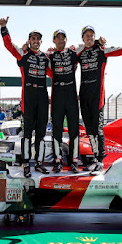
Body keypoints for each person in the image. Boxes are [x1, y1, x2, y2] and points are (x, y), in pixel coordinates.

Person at [78, 22, 122, 171]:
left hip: (97, 96)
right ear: (83, 38)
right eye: (87, 35)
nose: (90, 37)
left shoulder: (102, 50)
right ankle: (95, 157)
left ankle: (100, 159)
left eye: (92, 35)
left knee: (98, 129)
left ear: (95, 37)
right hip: (84, 95)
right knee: (89, 130)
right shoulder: (79, 52)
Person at [0, 17, 51, 177]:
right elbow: (9, 46)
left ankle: (39, 162)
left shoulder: (46, 57)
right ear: (29, 41)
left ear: (41, 42)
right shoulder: (23, 54)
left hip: (43, 95)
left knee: (41, 133)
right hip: (28, 95)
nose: (35, 41)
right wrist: (4, 28)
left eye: (38, 39)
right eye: (33, 38)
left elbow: (58, 73)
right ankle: (26, 162)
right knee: (27, 132)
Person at [48, 29, 82, 173]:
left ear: (66, 40)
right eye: (58, 38)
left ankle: (74, 160)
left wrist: (99, 42)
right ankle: (57, 160)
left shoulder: (73, 52)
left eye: (63, 38)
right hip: (57, 96)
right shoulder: (50, 56)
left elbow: (87, 45)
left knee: (74, 129)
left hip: (71, 95)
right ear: (54, 41)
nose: (61, 40)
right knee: (56, 131)